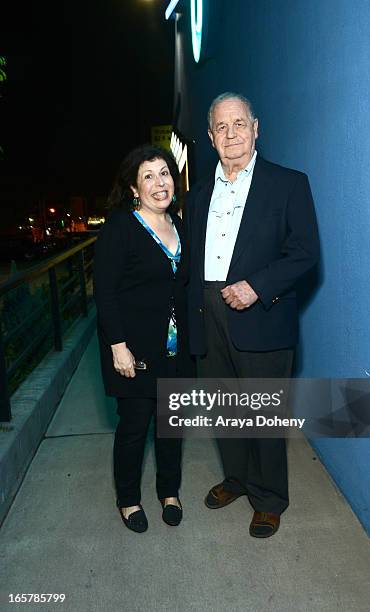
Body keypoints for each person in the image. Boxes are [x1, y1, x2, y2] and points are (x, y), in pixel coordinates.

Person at [184, 92, 320, 538]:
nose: (231, 134)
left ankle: (268, 498)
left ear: (256, 128)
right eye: (221, 127)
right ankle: (238, 480)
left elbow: (305, 254)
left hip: (261, 313)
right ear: (210, 137)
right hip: (209, 315)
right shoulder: (199, 194)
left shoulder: (288, 184)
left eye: (239, 124)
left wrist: (256, 286)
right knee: (226, 412)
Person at [94, 145, 193, 533]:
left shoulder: (180, 226)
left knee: (171, 426)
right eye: (148, 176)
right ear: (135, 187)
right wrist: (118, 346)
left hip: (175, 351)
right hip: (133, 350)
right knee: (135, 427)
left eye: (164, 173)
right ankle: (128, 499)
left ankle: (169, 492)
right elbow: (105, 292)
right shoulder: (121, 227)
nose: (158, 182)